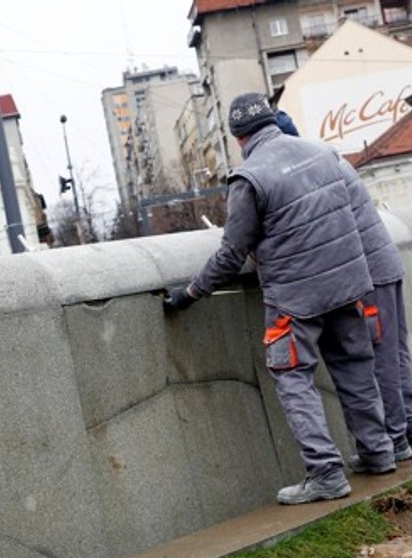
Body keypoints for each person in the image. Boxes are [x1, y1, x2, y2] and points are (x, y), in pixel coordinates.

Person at [163, 92, 395, 505]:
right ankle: (378, 452)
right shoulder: (323, 153)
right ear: (271, 121)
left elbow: (231, 254)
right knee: (355, 367)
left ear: (238, 137)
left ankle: (325, 473)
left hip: (295, 298)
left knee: (292, 375)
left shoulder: (249, 178)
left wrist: (191, 293)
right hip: (348, 283)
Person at [274, 109, 412, 461]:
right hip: (384, 265)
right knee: (396, 353)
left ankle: (395, 439)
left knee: (381, 359)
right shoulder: (328, 159)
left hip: (367, 274)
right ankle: (410, 431)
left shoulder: (306, 172)